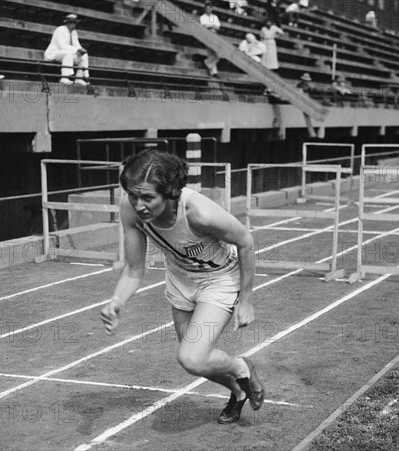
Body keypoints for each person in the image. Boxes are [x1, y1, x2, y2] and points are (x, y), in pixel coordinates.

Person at [99, 150, 265, 425]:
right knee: (197, 361)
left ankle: (242, 367)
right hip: (179, 279)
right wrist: (117, 301)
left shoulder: (198, 212)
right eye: (133, 195)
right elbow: (133, 268)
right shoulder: (131, 209)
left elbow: (246, 241)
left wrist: (246, 300)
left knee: (191, 357)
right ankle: (237, 391)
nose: (139, 204)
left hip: (219, 280)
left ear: (170, 193)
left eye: (148, 197)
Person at [44, 14, 90, 86]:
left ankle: (79, 78)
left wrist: (81, 51)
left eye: (74, 23)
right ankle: (64, 78)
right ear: (67, 23)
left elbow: (77, 45)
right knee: (68, 53)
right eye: (71, 22)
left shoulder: (74, 33)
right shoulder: (60, 30)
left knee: (84, 55)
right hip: (54, 53)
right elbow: (62, 46)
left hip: (68, 54)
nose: (73, 25)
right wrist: (76, 50)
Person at [200, 3, 221, 77]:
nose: (208, 9)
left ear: (212, 9)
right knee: (210, 54)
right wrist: (213, 25)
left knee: (217, 55)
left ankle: (207, 63)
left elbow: (218, 27)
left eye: (210, 8)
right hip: (207, 35)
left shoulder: (215, 17)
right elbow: (204, 26)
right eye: (207, 8)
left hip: (214, 35)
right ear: (205, 9)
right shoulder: (202, 17)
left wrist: (210, 26)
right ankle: (214, 73)